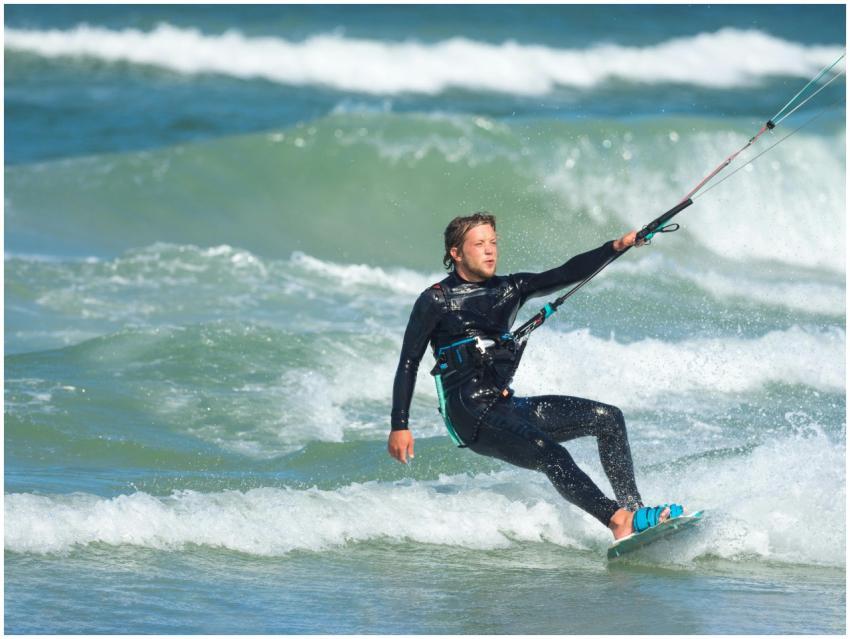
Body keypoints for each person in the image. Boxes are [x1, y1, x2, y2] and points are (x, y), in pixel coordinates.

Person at [387, 212, 684, 540]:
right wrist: (399, 425)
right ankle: (616, 519)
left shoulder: (510, 289)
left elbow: (566, 273)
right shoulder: (435, 300)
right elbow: (408, 362)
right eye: (479, 244)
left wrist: (618, 245)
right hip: (470, 413)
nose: (490, 251)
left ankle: (634, 512)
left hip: (504, 405)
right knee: (550, 452)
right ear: (456, 253)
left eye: (493, 243)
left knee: (609, 419)